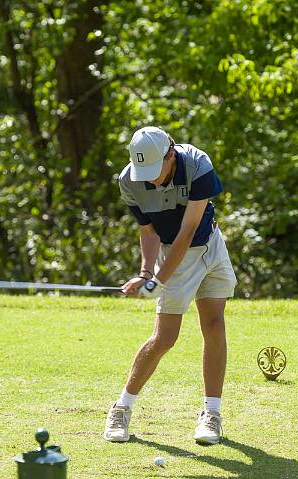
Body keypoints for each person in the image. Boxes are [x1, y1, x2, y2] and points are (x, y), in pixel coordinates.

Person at [103, 126, 237, 445]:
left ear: (170, 154)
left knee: (215, 325)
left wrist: (159, 279)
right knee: (165, 338)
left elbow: (188, 230)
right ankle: (121, 408)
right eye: (143, 172)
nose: (150, 179)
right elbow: (148, 232)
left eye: (155, 170)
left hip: (209, 247)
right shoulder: (129, 181)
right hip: (173, 255)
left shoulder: (198, 166)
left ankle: (211, 414)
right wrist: (147, 272)